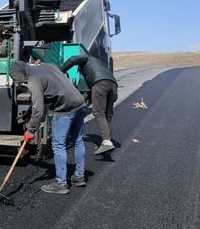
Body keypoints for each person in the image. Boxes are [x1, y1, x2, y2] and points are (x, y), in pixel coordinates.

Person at [9, 60, 87, 194]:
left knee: (58, 145)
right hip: (80, 103)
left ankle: (61, 184)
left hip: (65, 110)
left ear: (20, 75)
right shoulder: (47, 65)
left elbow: (38, 109)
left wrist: (31, 130)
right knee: (78, 141)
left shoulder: (33, 81)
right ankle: (79, 177)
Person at [60, 54, 118, 155]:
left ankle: (107, 143)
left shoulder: (86, 58)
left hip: (100, 84)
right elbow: (93, 93)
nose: (81, 73)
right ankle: (107, 141)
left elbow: (73, 59)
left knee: (99, 113)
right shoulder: (99, 65)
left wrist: (60, 72)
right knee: (107, 115)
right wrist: (80, 98)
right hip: (113, 85)